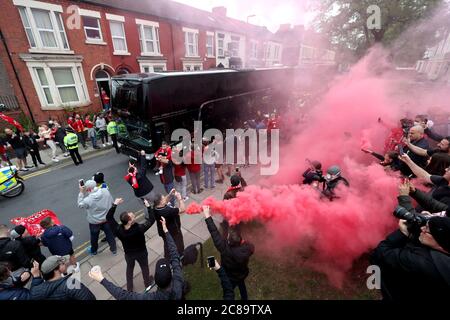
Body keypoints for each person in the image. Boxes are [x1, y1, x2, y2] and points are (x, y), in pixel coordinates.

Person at [88, 217, 184, 300]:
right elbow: (174, 254)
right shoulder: (178, 280)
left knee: (130, 269)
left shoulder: (151, 298)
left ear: (156, 281)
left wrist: (101, 279)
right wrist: (166, 231)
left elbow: (123, 296)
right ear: (172, 276)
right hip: (140, 253)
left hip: (129, 255)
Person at [370, 216, 450, 300]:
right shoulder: (444, 253)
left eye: (426, 229)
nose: (422, 228)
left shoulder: (420, 261)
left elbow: (381, 252)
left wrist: (402, 233)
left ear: (438, 239)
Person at [202, 206, 254, 300]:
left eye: (228, 236)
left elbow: (214, 233)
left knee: (229, 288)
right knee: (242, 285)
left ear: (229, 241)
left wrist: (207, 215)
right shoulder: (247, 248)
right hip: (241, 274)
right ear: (241, 240)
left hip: (230, 276)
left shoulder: (225, 249)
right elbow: (249, 245)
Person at [106, 198, 155, 291]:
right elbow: (152, 220)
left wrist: (115, 204)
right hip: (142, 252)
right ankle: (147, 283)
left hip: (129, 255)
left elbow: (109, 217)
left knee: (129, 270)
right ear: (129, 221)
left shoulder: (118, 230)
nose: (132, 214)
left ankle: (129, 288)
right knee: (144, 267)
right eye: (131, 216)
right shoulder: (139, 228)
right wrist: (148, 207)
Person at [77, 180, 117, 256]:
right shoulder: (105, 191)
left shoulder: (87, 200)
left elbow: (80, 205)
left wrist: (81, 192)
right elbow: (112, 202)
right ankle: (114, 249)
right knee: (109, 234)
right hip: (106, 219)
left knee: (94, 238)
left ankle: (94, 251)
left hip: (94, 222)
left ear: (88, 189)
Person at [30, 255, 96, 300]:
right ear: (55, 270)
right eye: (62, 263)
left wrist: (36, 277)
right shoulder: (71, 284)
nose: (65, 263)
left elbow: (33, 292)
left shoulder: (36, 291)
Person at [153, 191, 186, 258]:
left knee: (167, 244)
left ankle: (167, 257)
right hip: (173, 232)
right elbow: (183, 209)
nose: (165, 198)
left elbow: (164, 201)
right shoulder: (168, 211)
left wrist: (170, 195)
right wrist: (180, 198)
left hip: (163, 231)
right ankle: (180, 256)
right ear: (161, 202)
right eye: (163, 198)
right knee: (179, 245)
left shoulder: (155, 207)